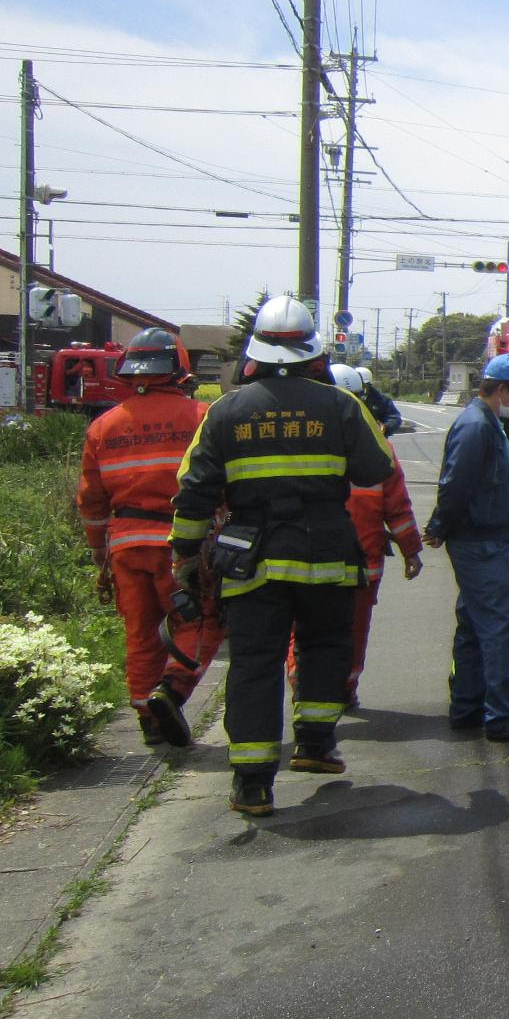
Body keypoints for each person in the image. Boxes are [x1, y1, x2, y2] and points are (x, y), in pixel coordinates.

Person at [171, 295, 393, 816]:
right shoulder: (341, 405)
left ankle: (252, 784)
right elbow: (376, 469)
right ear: (313, 350)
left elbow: (193, 491)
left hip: (252, 558)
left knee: (254, 664)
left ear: (256, 352)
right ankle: (315, 745)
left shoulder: (224, 412)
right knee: (325, 646)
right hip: (328, 550)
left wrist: (184, 557)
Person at [75, 328, 223, 747]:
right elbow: (222, 485)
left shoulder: (104, 427)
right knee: (200, 620)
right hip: (185, 544)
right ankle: (171, 691)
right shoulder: (201, 418)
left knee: (141, 633)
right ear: (179, 369)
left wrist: (97, 557)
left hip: (126, 545)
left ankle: (148, 719)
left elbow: (91, 502)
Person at [285, 364, 422, 708]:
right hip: (363, 562)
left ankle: (301, 679)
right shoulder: (378, 447)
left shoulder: (303, 438)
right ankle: (343, 688)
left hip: (307, 554)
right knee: (353, 631)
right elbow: (398, 508)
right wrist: (411, 551)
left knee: (302, 627)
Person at [423, 352, 509, 738]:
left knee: (473, 623)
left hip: (484, 537)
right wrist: (439, 525)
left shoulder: (486, 422)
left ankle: (467, 706)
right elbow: (455, 483)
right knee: (501, 625)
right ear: (502, 389)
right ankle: (502, 714)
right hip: (479, 540)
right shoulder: (476, 426)